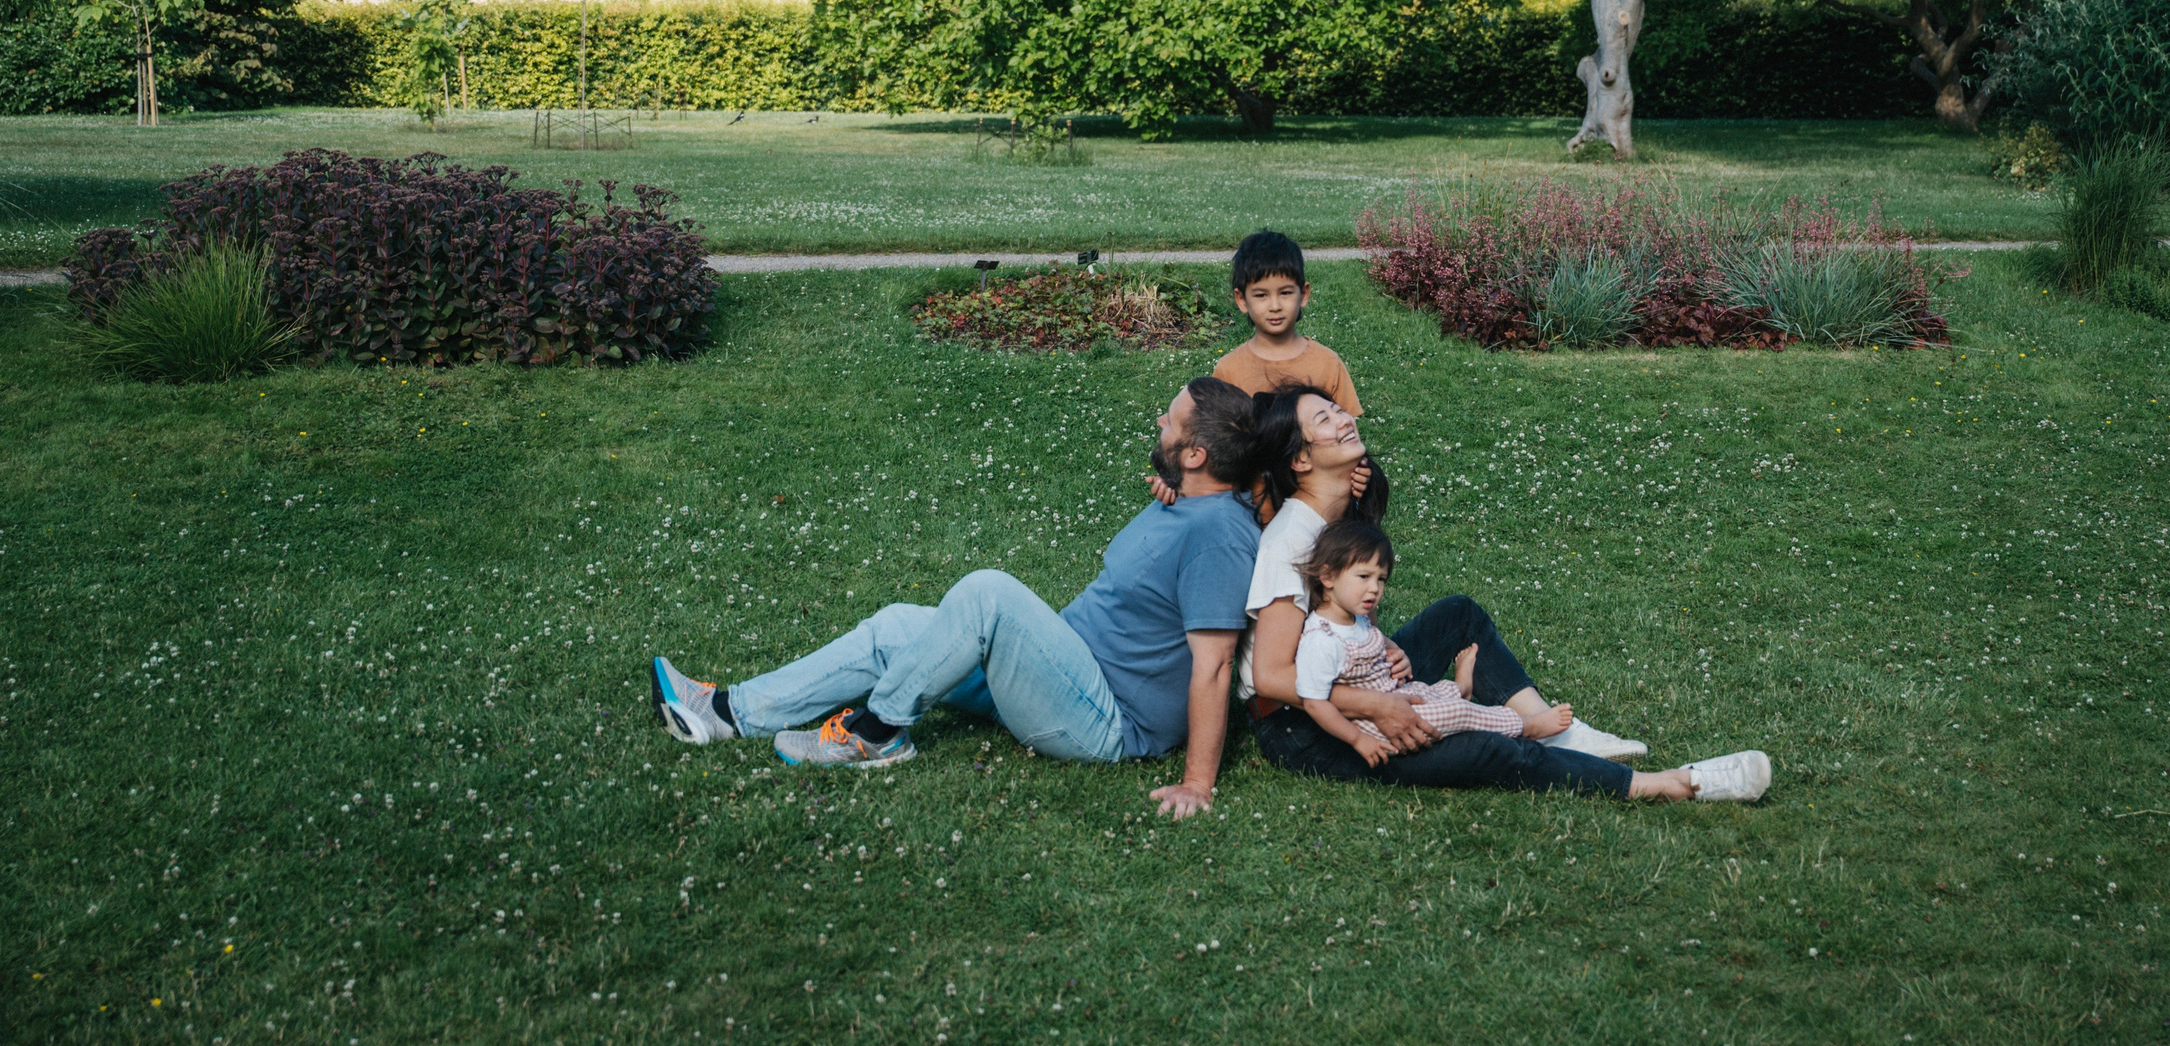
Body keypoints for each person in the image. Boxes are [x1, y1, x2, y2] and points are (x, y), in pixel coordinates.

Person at [648, 377, 1263, 819]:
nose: (1159, 418)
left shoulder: (1217, 536)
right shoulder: (1193, 498)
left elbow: (1211, 665)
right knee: (895, 628)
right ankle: (727, 713)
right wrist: (1176, 483)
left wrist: (1198, 783)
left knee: (987, 593)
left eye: (1171, 420)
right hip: (1065, 672)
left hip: (1103, 720)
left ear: (1197, 454)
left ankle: (878, 732)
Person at [1244, 384, 1771, 804]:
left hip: (1352, 680)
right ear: (1300, 461)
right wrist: (1376, 705)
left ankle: (1556, 731)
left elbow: (1334, 620)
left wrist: (1380, 646)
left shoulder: (1337, 518)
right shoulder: (1291, 540)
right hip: (1304, 725)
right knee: (1490, 753)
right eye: (1325, 420)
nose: (1344, 419)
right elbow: (1270, 676)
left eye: (1339, 409)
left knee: (1458, 616)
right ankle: (1674, 783)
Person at [1293, 516, 1573, 760]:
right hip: (1375, 725)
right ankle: (1525, 727)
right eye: (1364, 576)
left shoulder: (1356, 618)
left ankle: (1460, 688)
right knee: (1459, 714)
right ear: (1328, 577)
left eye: (1381, 579)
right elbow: (1315, 703)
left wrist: (1392, 649)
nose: (1374, 589)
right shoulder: (1322, 640)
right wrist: (1358, 740)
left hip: (1394, 696)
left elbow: (1374, 637)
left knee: (1429, 693)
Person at [1212, 230, 1362, 414]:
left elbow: (1346, 432)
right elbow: (1219, 436)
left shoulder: (1328, 364)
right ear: (1242, 300)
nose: (1275, 306)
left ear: (1304, 294)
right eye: (1261, 295)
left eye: (1285, 293)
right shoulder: (1229, 370)